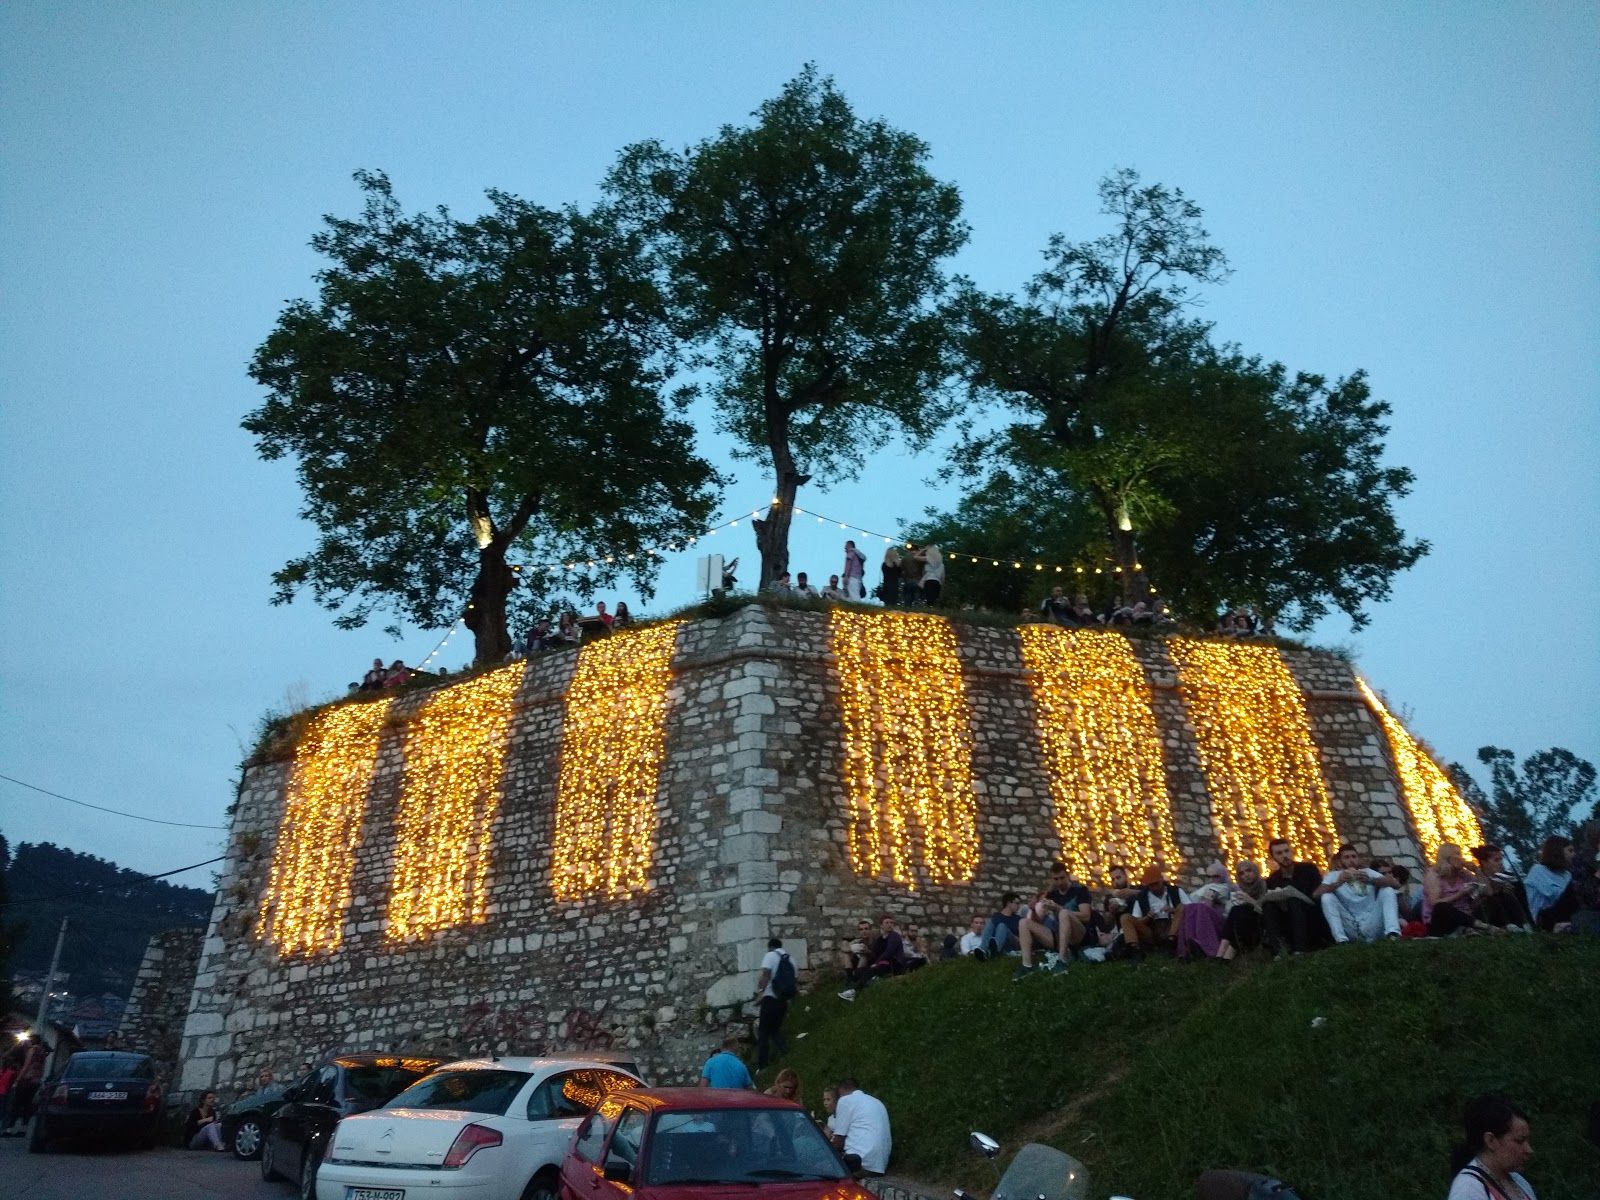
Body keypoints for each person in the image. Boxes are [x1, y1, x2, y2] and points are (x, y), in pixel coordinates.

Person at [1447, 1094, 1536, 1199]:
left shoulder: (1519, 1182)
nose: (1529, 1150)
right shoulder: (1468, 1189)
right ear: (1491, 1141)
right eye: (1519, 1141)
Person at [1317, 843, 1402, 943]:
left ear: (1358, 859)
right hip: (1350, 924)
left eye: (1354, 856)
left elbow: (1396, 884)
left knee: (1387, 890)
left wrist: (1371, 880)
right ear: (1340, 861)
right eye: (1346, 857)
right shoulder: (1333, 875)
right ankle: (1341, 940)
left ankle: (1392, 934)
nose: (1351, 860)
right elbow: (1317, 894)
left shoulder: (1367, 872)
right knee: (1327, 897)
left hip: (1372, 921)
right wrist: (1338, 882)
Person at [1261, 838, 1329, 954]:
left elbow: (1317, 892)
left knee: (1294, 900)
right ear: (1273, 857)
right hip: (1286, 914)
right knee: (1268, 905)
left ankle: (1300, 949)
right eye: (1279, 853)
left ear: (1292, 851)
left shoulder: (1308, 869)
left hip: (1310, 911)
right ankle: (1279, 950)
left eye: (1286, 851)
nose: (1285, 855)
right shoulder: (1273, 879)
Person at [1424, 843, 1492, 937]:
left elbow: (1488, 892)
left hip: (1466, 915)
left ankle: (1513, 926)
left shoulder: (1464, 874)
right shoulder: (1434, 875)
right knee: (1441, 906)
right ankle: (1480, 926)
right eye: (1458, 854)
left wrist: (1477, 871)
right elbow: (1434, 903)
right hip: (1442, 921)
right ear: (1447, 857)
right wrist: (1460, 894)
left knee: (1493, 899)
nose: (1462, 858)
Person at [831, 1078, 891, 1176]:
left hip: (859, 1163)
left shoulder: (845, 1100)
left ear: (841, 1090)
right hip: (879, 1166)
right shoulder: (877, 1102)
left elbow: (839, 1140)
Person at [1120, 865, 1183, 955]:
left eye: (1156, 884)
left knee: (1181, 907)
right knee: (1125, 918)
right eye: (1151, 885)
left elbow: (1190, 910)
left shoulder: (1175, 891)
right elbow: (1137, 920)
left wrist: (1173, 910)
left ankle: (1171, 942)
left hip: (1173, 927)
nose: (1154, 888)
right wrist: (1148, 916)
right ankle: (1134, 950)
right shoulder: (1142, 897)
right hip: (1152, 931)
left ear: (1161, 880)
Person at [1176, 860, 1231, 958]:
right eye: (1208, 876)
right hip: (1200, 915)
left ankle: (1205, 946)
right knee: (1190, 908)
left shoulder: (1223, 887)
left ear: (1222, 876)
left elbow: (1208, 902)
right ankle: (1189, 946)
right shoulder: (1208, 886)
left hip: (1216, 919)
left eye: (1215, 876)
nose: (1211, 879)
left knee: (1201, 908)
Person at [1470, 845, 1533, 930]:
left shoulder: (1506, 876)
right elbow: (1485, 895)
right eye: (1496, 860)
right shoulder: (1476, 877)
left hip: (1509, 912)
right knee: (1497, 898)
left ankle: (1525, 924)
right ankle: (1510, 926)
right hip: (1487, 915)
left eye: (1501, 859)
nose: (1500, 863)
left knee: (1514, 890)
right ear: (1484, 862)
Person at [1524, 836, 1580, 932]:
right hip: (1544, 918)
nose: (1574, 855)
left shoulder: (1567, 874)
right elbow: (1555, 895)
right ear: (1558, 851)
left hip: (1567, 913)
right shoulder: (1538, 870)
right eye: (1570, 851)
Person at [753, 937, 793, 1070]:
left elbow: (766, 975)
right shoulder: (790, 959)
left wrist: (760, 993)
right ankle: (786, 1052)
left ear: (770, 947)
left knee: (763, 1032)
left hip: (770, 998)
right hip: (783, 1000)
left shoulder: (770, 955)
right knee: (775, 1030)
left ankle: (763, 1065)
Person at [1217, 859, 1267, 959]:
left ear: (1255, 870)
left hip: (1260, 925)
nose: (1246, 875)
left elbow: (1266, 912)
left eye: (1249, 870)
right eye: (1241, 873)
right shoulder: (1242, 889)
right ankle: (1220, 955)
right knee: (1236, 910)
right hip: (1244, 925)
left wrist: (1249, 900)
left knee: (1241, 911)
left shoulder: (1264, 885)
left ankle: (1227, 956)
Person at [976, 893, 1024, 958]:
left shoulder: (1018, 919)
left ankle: (994, 951)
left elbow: (1021, 939)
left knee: (1002, 926)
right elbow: (990, 932)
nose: (1019, 906)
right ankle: (983, 949)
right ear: (1008, 903)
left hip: (1013, 942)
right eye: (1017, 903)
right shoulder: (996, 916)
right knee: (991, 924)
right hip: (998, 941)